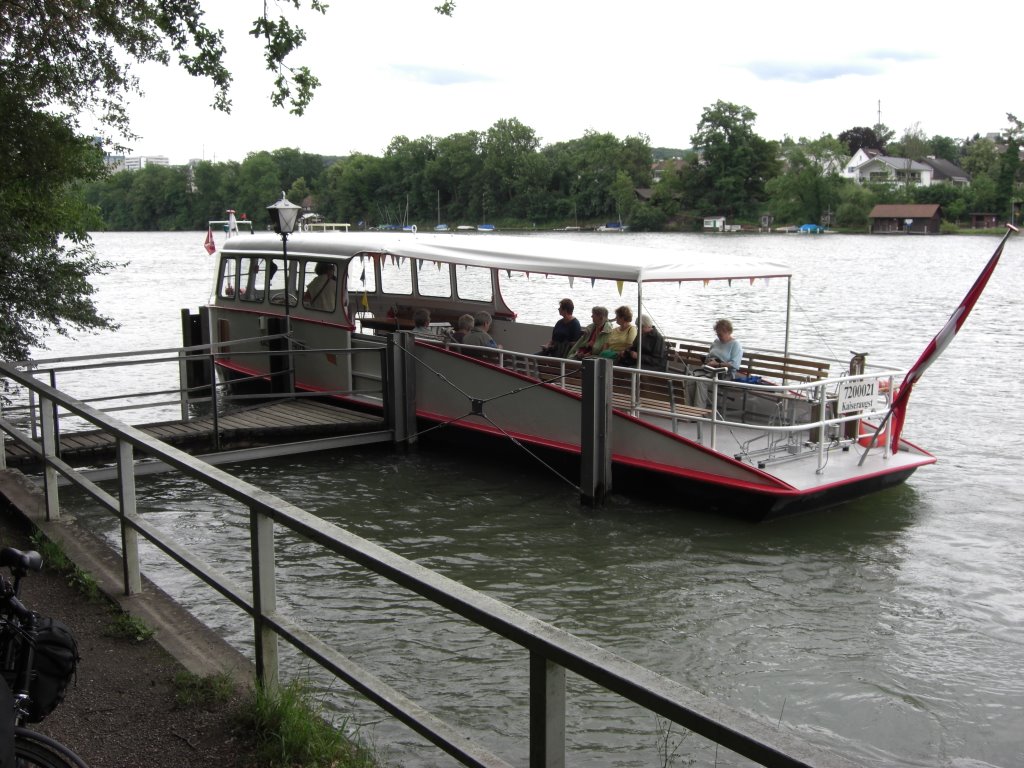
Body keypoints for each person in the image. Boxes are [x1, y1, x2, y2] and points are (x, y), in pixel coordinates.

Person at [690, 318, 743, 407]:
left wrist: (718, 364)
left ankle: (699, 411)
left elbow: (735, 364)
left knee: (701, 382)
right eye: (717, 334)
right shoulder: (716, 342)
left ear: (727, 332)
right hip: (709, 369)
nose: (718, 336)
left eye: (720, 334)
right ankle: (690, 408)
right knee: (690, 378)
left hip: (724, 373)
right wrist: (706, 359)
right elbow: (710, 354)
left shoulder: (735, 344)